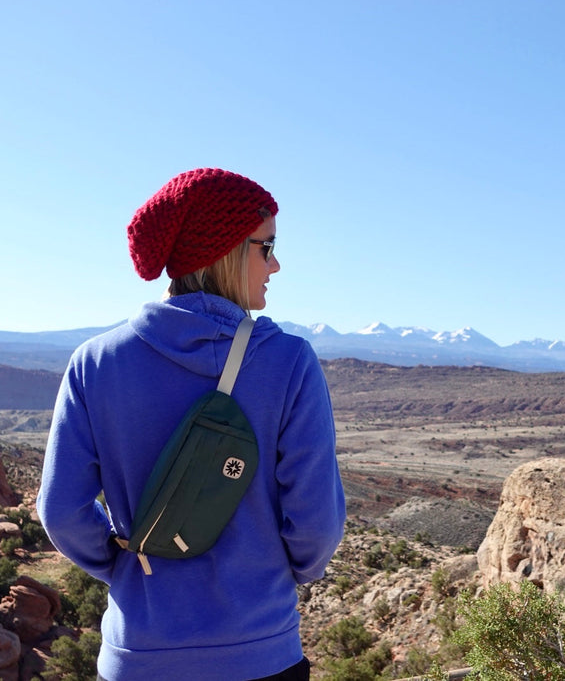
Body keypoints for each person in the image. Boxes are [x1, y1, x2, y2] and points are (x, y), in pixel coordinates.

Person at [37, 168, 346, 680]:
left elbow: (61, 511)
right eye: (266, 247)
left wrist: (127, 572)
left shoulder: (94, 363)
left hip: (139, 654)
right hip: (259, 651)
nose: (276, 264)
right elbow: (315, 522)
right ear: (225, 251)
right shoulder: (289, 362)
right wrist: (279, 578)